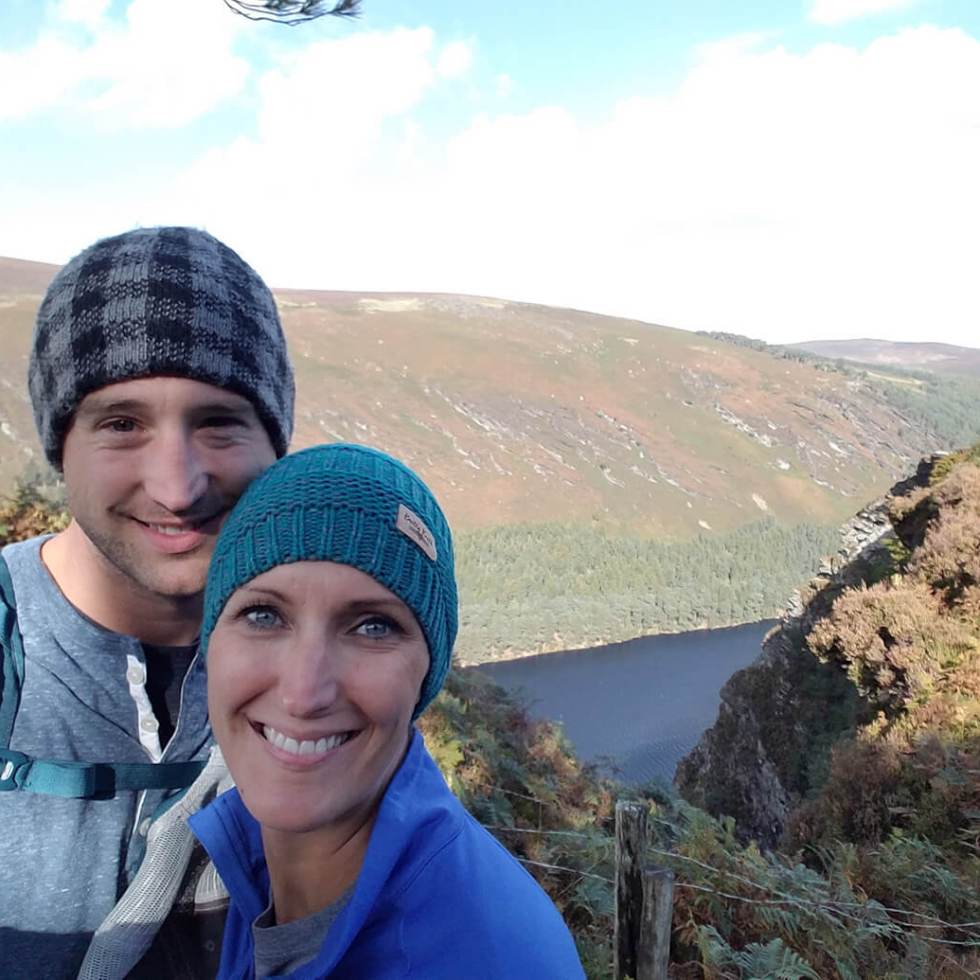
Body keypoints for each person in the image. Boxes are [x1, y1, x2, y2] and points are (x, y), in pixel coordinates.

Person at [0, 226, 295, 980]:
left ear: (275, 445)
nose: (176, 485)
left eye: (220, 421)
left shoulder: (327, 677)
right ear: (60, 445)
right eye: (122, 424)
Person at [184, 443, 585, 978]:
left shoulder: (493, 959)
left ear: (426, 673)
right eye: (262, 614)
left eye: (373, 626)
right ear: (211, 642)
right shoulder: (241, 867)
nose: (304, 693)